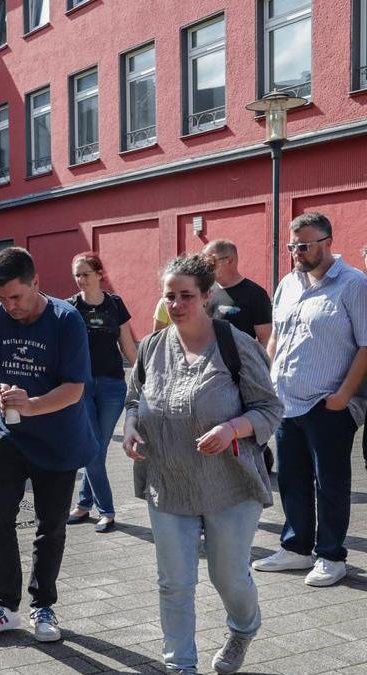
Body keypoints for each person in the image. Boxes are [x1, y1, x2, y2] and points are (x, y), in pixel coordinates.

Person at [124, 254, 283, 675]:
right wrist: (131, 428)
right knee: (174, 583)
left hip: (229, 485)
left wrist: (233, 428)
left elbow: (269, 408)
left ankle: (243, 627)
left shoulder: (236, 346)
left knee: (227, 577)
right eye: (169, 296)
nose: (176, 305)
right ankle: (180, 665)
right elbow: (135, 398)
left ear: (207, 296)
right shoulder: (153, 347)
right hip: (168, 481)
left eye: (186, 296)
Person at [0, 247, 94, 643]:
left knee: (50, 527)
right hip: (7, 434)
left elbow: (74, 389)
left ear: (36, 283)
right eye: (0, 298)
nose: (8, 306)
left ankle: (43, 607)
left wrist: (33, 404)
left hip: (58, 440)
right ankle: (4, 607)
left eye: (15, 297)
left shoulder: (66, 320)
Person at [254, 212, 367, 588]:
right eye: (292, 246)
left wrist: (344, 396)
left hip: (327, 404)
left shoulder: (353, 284)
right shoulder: (288, 283)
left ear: (328, 241)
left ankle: (331, 556)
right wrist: (270, 381)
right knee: (291, 479)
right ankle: (297, 547)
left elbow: (366, 345)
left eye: (305, 245)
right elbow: (277, 337)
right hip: (287, 401)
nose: (297, 252)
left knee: (330, 483)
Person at [66, 252, 136, 533]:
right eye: (77, 275)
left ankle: (83, 504)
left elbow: (128, 346)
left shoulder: (115, 304)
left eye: (85, 273)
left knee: (98, 448)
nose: (81, 279)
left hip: (112, 387)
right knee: (93, 450)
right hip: (80, 387)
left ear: (99, 274)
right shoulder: (70, 308)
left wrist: (144, 379)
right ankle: (106, 510)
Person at [202, 240, 273, 347]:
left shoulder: (255, 294)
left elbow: (267, 340)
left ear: (229, 261)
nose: (206, 267)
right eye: (203, 262)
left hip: (239, 362)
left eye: (210, 261)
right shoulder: (206, 290)